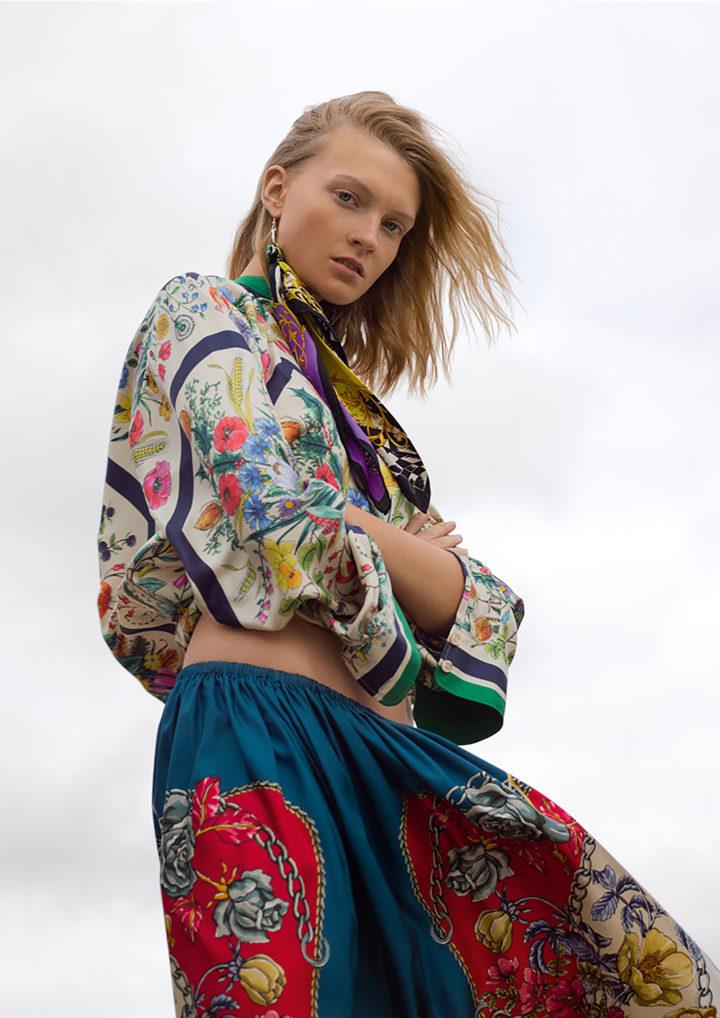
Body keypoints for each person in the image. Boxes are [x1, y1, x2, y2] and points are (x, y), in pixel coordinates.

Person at [97, 91, 719, 1018]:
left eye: (393, 226)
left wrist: (370, 532)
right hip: (254, 733)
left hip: (391, 760)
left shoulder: (362, 429)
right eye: (349, 199)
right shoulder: (203, 309)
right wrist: (404, 556)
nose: (370, 238)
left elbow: (485, 612)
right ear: (277, 189)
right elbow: (277, 517)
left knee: (643, 981)